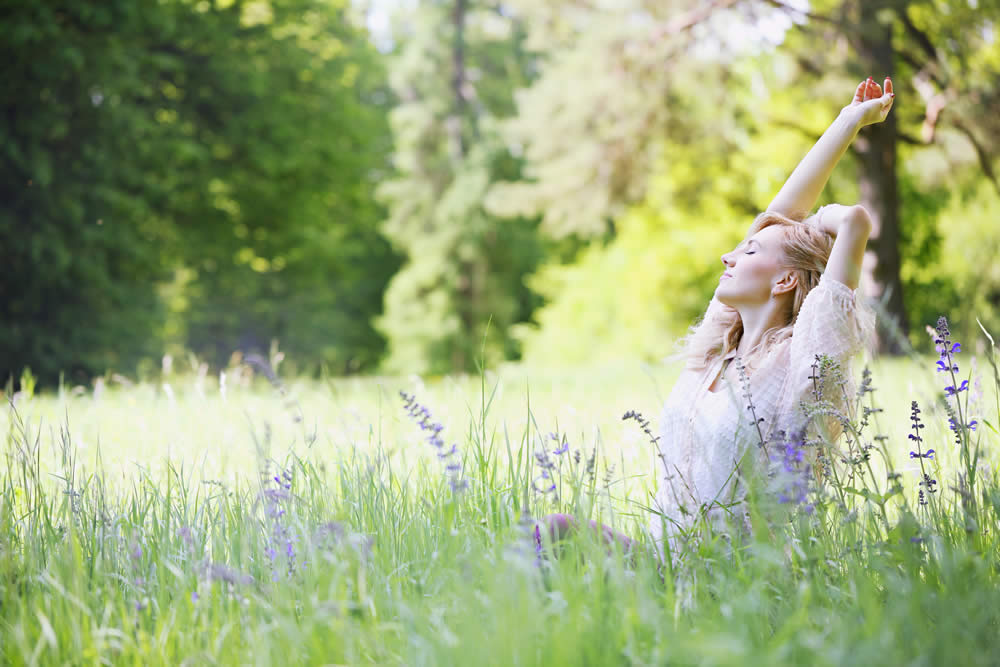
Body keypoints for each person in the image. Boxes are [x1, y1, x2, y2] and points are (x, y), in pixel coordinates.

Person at [542, 76, 894, 564]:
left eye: (748, 252)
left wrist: (840, 223)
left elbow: (841, 252)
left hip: (732, 579)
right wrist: (848, 121)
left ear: (785, 282)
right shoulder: (716, 352)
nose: (728, 254)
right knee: (549, 533)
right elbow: (777, 217)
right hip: (661, 561)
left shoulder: (800, 368)